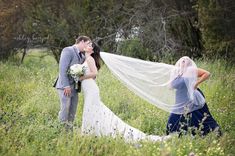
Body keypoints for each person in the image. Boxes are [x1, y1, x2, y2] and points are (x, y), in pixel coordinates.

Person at [79, 42, 169, 142]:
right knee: (91, 109)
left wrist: (81, 77)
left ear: (91, 49)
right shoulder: (86, 58)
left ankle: (92, 132)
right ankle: (92, 132)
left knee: (91, 109)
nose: (86, 45)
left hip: (91, 89)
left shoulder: (90, 59)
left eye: (89, 45)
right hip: (88, 88)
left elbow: (95, 73)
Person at [166, 56, 221, 136]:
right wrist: (174, 77)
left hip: (190, 97)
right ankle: (174, 134)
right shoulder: (177, 72)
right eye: (182, 60)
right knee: (175, 116)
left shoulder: (190, 70)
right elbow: (170, 87)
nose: (183, 61)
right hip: (180, 98)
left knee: (198, 115)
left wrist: (196, 83)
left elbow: (207, 73)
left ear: (189, 63)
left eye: (186, 60)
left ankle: (213, 131)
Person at [54, 36, 92, 129]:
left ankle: (69, 131)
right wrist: (66, 86)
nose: (88, 46)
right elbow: (62, 69)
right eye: (87, 44)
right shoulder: (68, 50)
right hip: (65, 86)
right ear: (81, 41)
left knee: (73, 110)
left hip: (75, 87)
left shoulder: (82, 56)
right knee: (65, 109)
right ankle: (61, 131)